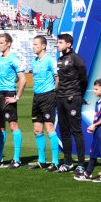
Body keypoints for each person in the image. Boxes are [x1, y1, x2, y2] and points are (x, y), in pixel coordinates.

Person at [0, 33, 28, 169]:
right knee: (0, 126)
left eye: (1, 43)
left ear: (8, 43)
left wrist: (17, 97)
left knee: (13, 125)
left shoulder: (13, 59)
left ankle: (16, 159)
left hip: (9, 93)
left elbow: (23, 80)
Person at [55, 33, 88, 172]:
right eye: (58, 42)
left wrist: (78, 95)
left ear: (68, 44)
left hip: (72, 98)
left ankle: (81, 164)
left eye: (60, 42)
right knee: (64, 131)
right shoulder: (60, 59)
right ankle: (67, 162)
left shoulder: (76, 58)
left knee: (76, 131)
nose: (58, 45)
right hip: (61, 99)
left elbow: (84, 78)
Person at [28, 35, 60, 170]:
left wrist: (54, 94)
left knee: (49, 128)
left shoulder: (50, 61)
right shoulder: (34, 61)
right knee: (37, 130)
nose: (33, 47)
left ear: (44, 46)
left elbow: (58, 78)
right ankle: (42, 160)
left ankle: (55, 161)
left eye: (36, 44)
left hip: (48, 96)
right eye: (33, 44)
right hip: (37, 97)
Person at [76, 78, 101, 183]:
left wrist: (95, 125)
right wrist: (94, 126)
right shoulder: (99, 101)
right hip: (99, 130)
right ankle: (88, 173)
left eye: (96, 89)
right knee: (93, 152)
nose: (94, 91)